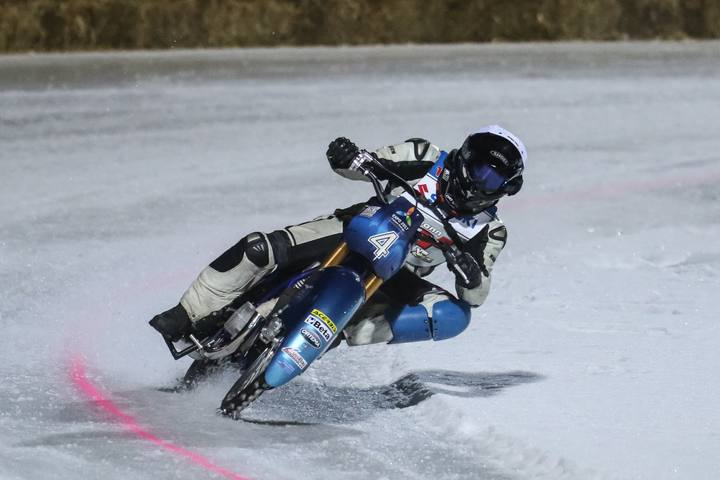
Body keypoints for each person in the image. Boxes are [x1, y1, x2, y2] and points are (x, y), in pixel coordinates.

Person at [150, 125, 526, 347]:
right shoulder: (426, 156)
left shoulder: (490, 230)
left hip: (397, 275)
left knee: (454, 316)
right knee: (259, 248)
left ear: (506, 189)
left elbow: (478, 295)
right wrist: (347, 156)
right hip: (356, 230)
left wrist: (471, 275)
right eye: (480, 170)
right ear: (464, 159)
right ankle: (187, 313)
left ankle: (340, 332)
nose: (481, 182)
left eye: (493, 179)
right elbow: (367, 164)